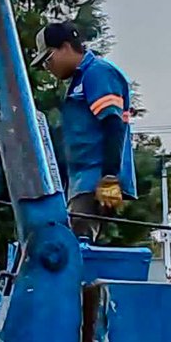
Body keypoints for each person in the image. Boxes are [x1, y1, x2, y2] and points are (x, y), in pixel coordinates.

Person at [32, 21, 136, 241]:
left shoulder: (97, 73)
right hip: (79, 179)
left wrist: (109, 176)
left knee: (78, 242)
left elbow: (113, 124)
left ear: (66, 47)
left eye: (48, 59)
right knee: (74, 239)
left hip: (94, 178)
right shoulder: (79, 81)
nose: (47, 68)